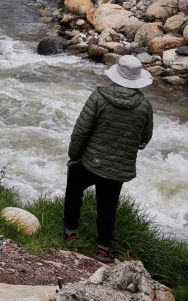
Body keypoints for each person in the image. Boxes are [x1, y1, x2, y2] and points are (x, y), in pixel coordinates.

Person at [64, 54, 154, 263]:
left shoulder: (98, 97)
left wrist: (73, 157)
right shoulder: (144, 106)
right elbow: (145, 138)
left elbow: (81, 131)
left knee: (74, 187)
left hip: (89, 161)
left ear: (116, 75)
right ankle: (103, 249)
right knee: (108, 204)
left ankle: (70, 233)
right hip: (118, 168)